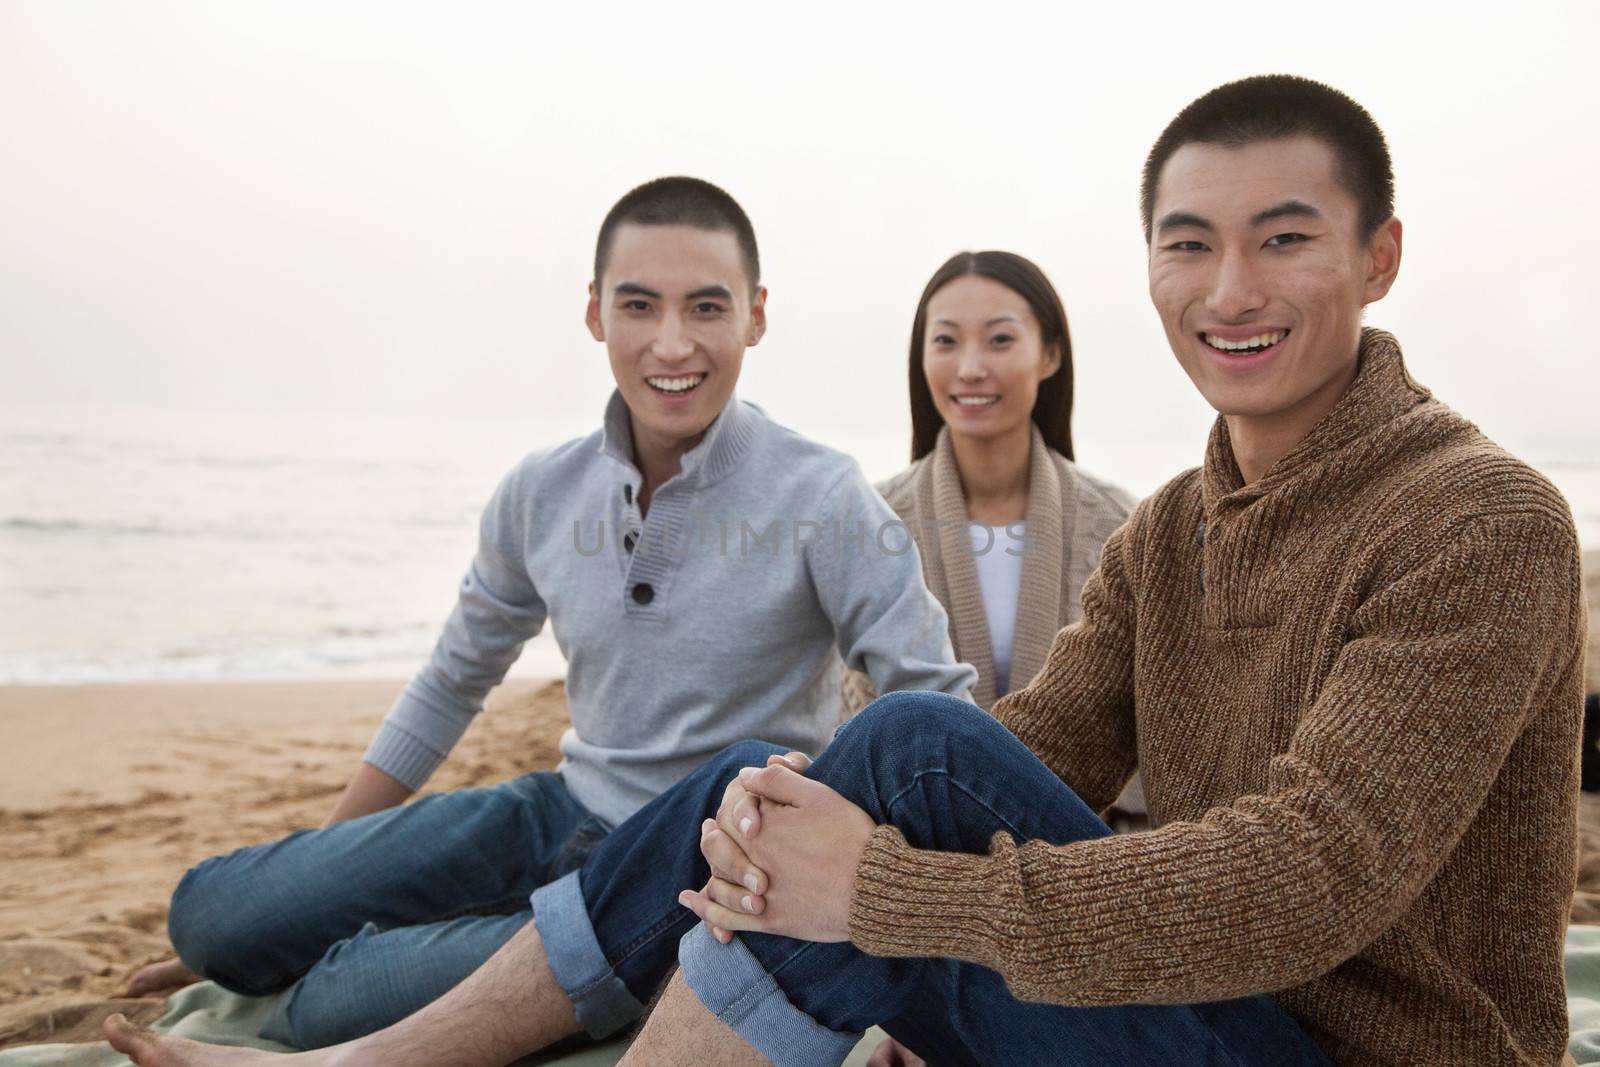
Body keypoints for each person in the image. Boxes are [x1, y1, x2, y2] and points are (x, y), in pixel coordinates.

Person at [104, 75, 1586, 1067]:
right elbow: (1031, 746)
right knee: (797, 769)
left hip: (1354, 1045)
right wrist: (812, 824)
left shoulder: (1483, 519)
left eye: (1286, 240)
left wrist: (891, 887)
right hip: (1174, 995)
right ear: (1148, 266)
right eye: (1189, 244)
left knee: (895, 762)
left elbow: (1305, 877)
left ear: (1381, 254)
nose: (1231, 289)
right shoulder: (1179, 529)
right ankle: (378, 1056)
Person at [117, 175, 977, 1051]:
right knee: (211, 918)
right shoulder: (542, 489)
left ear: (755, 316)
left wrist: (923, 941)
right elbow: (453, 680)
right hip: (553, 808)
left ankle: (594, 969)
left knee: (331, 1000)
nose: (671, 342)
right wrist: (312, 880)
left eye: (706, 308)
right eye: (639, 305)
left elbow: (935, 709)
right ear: (596, 312)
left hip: (680, 867)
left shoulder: (823, 494)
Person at [839, 250, 1145, 835]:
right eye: (947, 341)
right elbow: (854, 723)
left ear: (1049, 354)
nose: (971, 367)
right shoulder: (870, 522)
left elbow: (1149, 724)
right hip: (910, 859)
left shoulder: (1126, 525)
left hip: (1085, 860)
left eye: (1000, 341)